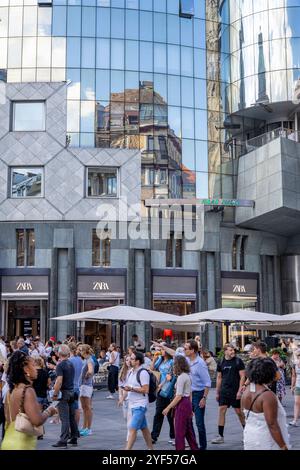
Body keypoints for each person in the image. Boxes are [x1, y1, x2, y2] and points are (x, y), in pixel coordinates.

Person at [0, 351, 57, 450]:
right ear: (26, 369)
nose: (36, 369)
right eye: (33, 365)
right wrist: (49, 411)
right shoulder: (27, 391)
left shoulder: (12, 390)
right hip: (21, 443)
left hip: (9, 441)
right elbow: (37, 420)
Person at [241, 357, 290, 450]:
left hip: (249, 436)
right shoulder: (267, 395)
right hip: (265, 440)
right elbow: (272, 424)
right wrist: (283, 447)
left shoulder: (246, 391)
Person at [162, 355, 198, 451]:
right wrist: (191, 408)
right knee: (188, 431)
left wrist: (168, 407)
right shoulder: (187, 376)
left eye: (174, 365)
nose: (173, 367)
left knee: (179, 431)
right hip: (187, 404)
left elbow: (178, 396)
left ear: (178, 365)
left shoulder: (181, 377)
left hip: (182, 404)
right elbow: (190, 393)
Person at [211, 343, 246, 444]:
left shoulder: (238, 361)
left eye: (233, 350)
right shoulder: (221, 361)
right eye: (230, 350)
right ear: (225, 351)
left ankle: (247, 433)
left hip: (235, 391)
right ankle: (220, 436)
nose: (233, 352)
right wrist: (217, 392)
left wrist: (240, 391)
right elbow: (219, 377)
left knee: (239, 413)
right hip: (224, 391)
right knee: (222, 411)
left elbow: (242, 376)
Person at [123, 351, 153, 450]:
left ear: (137, 361)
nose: (129, 360)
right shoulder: (131, 372)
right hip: (132, 404)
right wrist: (123, 397)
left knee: (132, 429)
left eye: (132, 359)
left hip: (140, 405)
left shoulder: (143, 372)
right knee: (144, 429)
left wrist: (131, 388)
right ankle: (151, 448)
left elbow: (146, 389)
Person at [51, 344, 78, 448]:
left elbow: (59, 381)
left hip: (64, 393)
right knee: (71, 417)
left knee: (64, 418)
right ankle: (74, 437)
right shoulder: (70, 363)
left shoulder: (60, 365)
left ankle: (63, 440)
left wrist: (55, 393)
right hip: (71, 391)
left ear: (59, 353)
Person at [150, 345, 175, 445]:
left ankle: (173, 436)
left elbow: (171, 376)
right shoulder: (160, 359)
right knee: (158, 413)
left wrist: (163, 383)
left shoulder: (172, 362)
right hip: (160, 389)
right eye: (161, 349)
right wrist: (154, 359)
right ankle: (154, 436)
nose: (161, 351)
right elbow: (152, 369)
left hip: (169, 388)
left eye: (163, 349)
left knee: (170, 414)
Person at [79, 344, 94, 436]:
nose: (79, 351)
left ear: (85, 351)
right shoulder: (86, 359)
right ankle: (84, 427)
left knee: (87, 407)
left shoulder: (89, 360)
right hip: (84, 385)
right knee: (84, 408)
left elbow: (91, 370)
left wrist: (88, 375)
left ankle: (88, 428)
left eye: (81, 350)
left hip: (86, 385)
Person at [69, 342, 83, 429]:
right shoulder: (79, 359)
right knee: (76, 407)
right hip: (77, 385)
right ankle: (76, 428)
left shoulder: (70, 360)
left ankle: (72, 429)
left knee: (70, 410)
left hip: (71, 386)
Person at [118, 355, 132, 441]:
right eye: (127, 360)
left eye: (130, 360)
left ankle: (130, 433)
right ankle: (132, 429)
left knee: (130, 417)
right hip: (123, 396)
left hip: (131, 396)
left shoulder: (134, 371)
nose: (128, 361)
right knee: (125, 417)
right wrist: (120, 396)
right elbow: (120, 386)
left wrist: (122, 397)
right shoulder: (123, 371)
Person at [289, 349, 300, 426]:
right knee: (296, 402)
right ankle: (295, 420)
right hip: (298, 385)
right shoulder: (294, 364)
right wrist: (292, 386)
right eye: (298, 355)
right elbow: (293, 376)